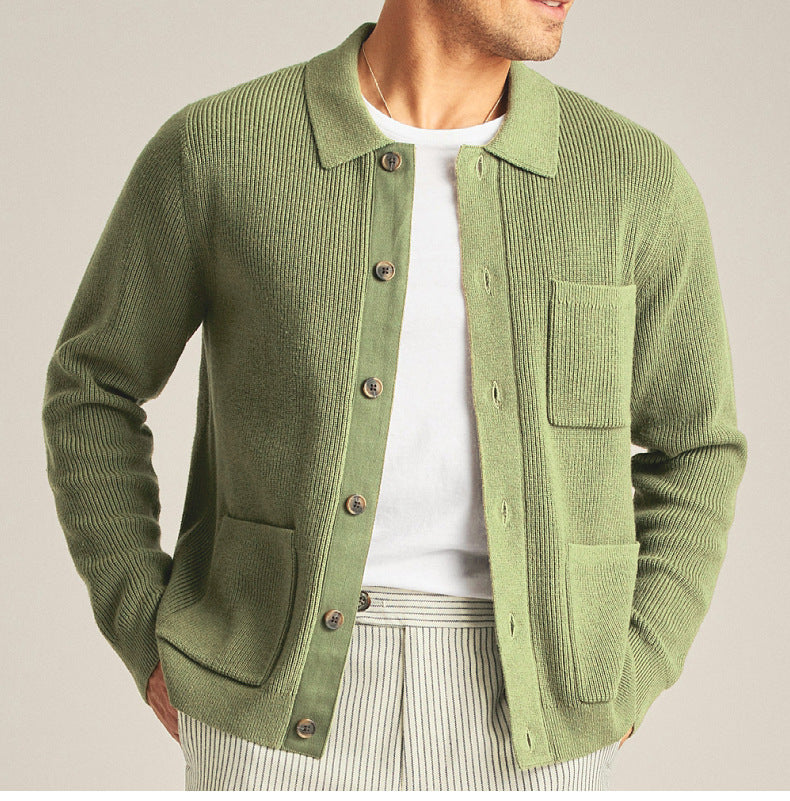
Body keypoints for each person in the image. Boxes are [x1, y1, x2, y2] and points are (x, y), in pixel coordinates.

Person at [41, 0, 748, 791]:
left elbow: (698, 446)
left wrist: (639, 660)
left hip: (537, 712)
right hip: (270, 697)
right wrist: (142, 622)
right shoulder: (220, 148)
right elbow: (92, 384)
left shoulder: (633, 181)